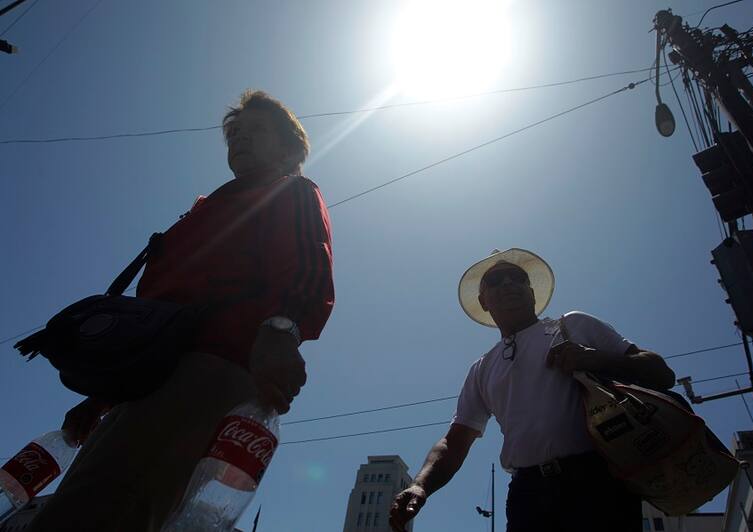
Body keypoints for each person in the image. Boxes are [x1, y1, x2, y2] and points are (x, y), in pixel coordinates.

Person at [28, 90, 334, 532]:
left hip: (209, 367)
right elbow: (158, 313)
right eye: (235, 133)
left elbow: (307, 266)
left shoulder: (292, 192)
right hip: (150, 377)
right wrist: (103, 397)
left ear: (288, 148)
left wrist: (281, 330)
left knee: (98, 511)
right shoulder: (207, 209)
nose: (239, 140)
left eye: (256, 131)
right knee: (81, 503)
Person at [389, 248, 675, 532]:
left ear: (531, 291)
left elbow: (661, 373)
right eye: (496, 280)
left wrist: (595, 358)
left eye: (517, 277)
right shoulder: (482, 369)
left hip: (598, 480)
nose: (508, 283)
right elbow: (454, 441)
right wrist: (419, 485)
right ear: (483, 301)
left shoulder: (574, 325)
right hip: (528, 494)